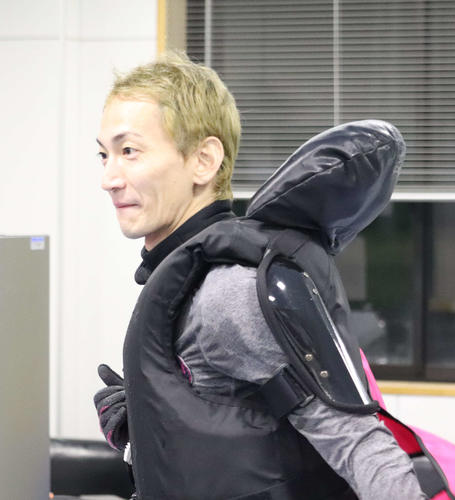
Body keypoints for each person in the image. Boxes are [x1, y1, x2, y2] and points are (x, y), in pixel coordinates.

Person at [94, 50, 427, 500]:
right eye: (104, 155)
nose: (109, 178)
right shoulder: (185, 284)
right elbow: (234, 447)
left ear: (204, 160)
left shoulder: (226, 291)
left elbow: (356, 440)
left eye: (129, 151)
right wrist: (149, 425)